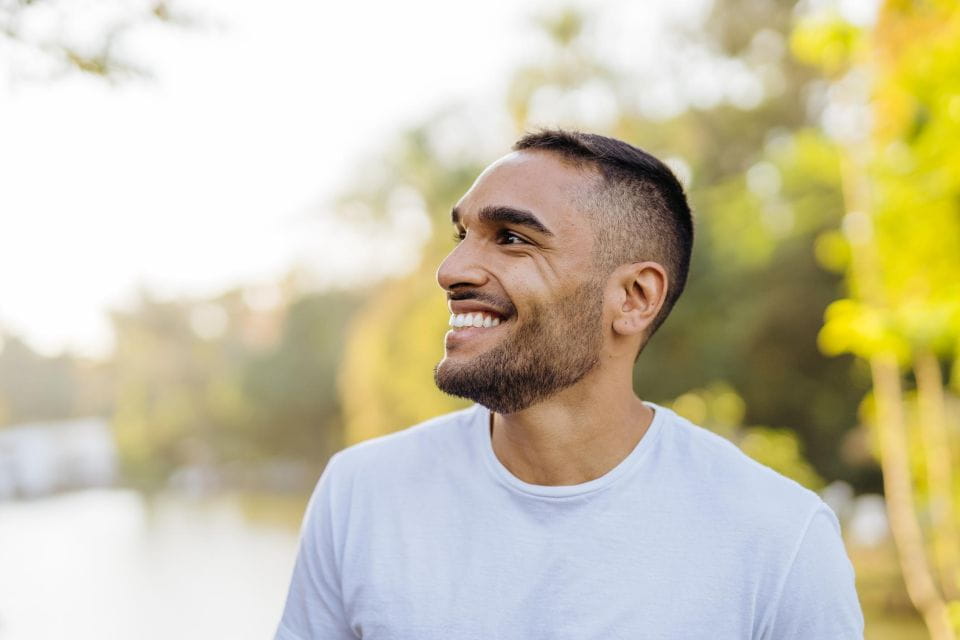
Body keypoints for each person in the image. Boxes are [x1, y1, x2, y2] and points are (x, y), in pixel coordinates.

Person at [275, 129, 864, 639]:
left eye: (511, 238)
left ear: (634, 298)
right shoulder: (361, 493)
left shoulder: (780, 539)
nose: (451, 271)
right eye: (463, 236)